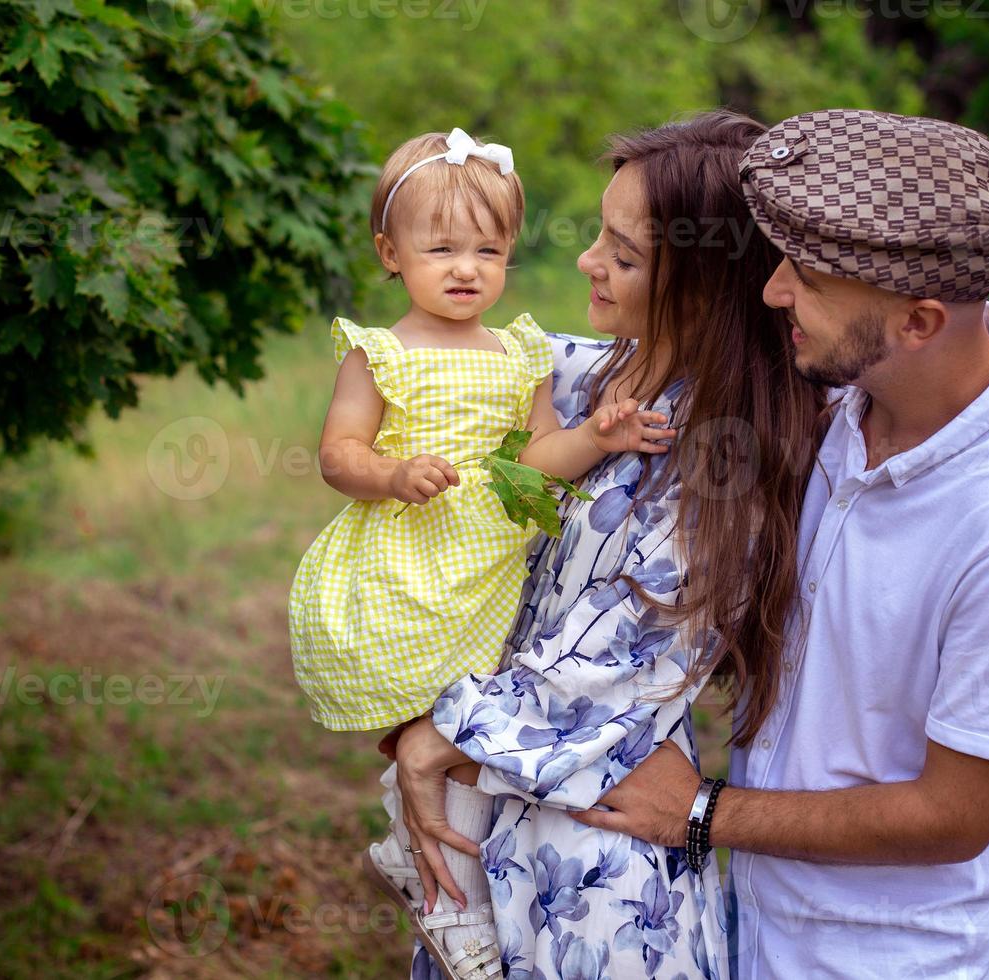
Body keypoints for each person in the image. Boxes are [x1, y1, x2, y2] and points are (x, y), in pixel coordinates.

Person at [572, 109, 989, 979]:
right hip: (752, 924)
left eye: (810, 278)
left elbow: (955, 816)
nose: (775, 289)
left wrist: (701, 813)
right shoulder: (830, 414)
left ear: (920, 322)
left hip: (893, 959)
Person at [391, 110, 824, 979]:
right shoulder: (568, 375)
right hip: (485, 825)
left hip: (595, 859)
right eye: (600, 233)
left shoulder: (727, 450)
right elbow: (434, 370)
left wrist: (443, 737)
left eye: (624, 257)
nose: (589, 262)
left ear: (708, 286)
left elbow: (632, 654)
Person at [287, 126, 673, 979]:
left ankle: (427, 867)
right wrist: (390, 473)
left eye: (488, 250)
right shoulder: (379, 352)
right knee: (415, 712)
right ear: (390, 253)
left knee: (462, 729)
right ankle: (444, 899)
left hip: (486, 568)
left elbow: (534, 464)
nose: (467, 268)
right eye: (441, 249)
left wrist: (597, 434)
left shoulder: (521, 352)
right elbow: (336, 454)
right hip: (406, 560)